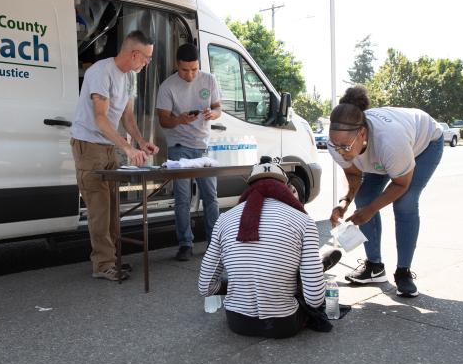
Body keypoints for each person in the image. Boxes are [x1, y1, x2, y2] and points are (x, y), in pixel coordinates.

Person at [198, 160, 342, 339]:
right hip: (284, 324)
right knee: (301, 282)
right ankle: (313, 271)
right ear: (286, 188)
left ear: (248, 187)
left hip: (237, 323)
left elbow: (205, 287)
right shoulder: (304, 222)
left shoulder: (224, 219)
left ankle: (298, 275)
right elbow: (314, 299)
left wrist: (243, 284)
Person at [328, 85, 443, 298]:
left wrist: (371, 210)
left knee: (405, 202)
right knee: (363, 198)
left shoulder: (391, 142)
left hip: (424, 143)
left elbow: (401, 184)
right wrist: (345, 202)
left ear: (362, 133)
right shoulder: (338, 143)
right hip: (381, 154)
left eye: (344, 146)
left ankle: (403, 272)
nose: (339, 151)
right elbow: (354, 176)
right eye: (335, 145)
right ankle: (374, 267)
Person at [70, 30, 159, 282]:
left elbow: (127, 117)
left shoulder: (130, 76)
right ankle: (103, 264)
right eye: (146, 58)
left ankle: (112, 259)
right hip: (88, 144)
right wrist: (127, 148)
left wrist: (141, 143)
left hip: (108, 145)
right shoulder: (100, 72)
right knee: (99, 208)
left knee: (111, 206)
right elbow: (100, 118)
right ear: (134, 54)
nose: (147, 63)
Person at [156, 43, 222, 261]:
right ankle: (185, 243)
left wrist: (213, 113)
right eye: (185, 70)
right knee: (183, 199)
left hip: (204, 146)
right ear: (177, 65)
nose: (190, 74)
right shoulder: (168, 86)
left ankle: (214, 243)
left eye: (194, 69)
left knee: (210, 196)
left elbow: (218, 107)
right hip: (179, 148)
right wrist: (179, 119)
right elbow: (163, 121)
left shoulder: (209, 79)